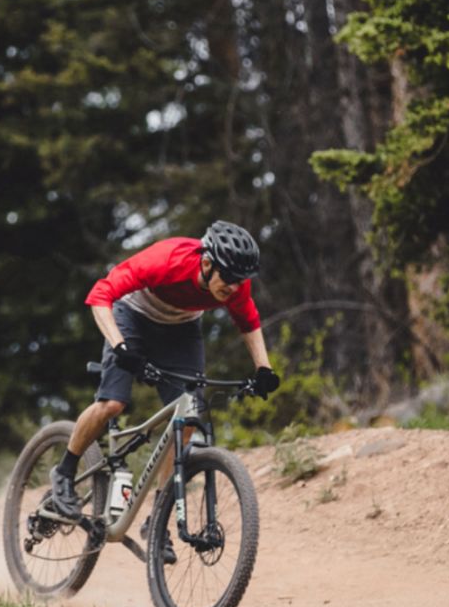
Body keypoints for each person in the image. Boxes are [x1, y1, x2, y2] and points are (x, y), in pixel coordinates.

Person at [49, 220, 281, 560]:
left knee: (188, 416)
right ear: (206, 263)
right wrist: (120, 347)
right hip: (132, 313)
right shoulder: (167, 260)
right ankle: (65, 472)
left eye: (240, 280)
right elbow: (101, 295)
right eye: (228, 277)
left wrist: (264, 369)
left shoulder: (235, 286)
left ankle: (157, 521)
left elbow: (249, 323)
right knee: (113, 403)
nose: (233, 287)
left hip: (181, 328)